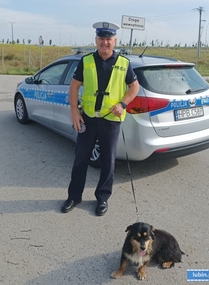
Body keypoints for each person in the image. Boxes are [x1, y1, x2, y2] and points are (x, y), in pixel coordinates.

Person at [61, 21, 139, 216]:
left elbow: (134, 87)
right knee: (80, 159)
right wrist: (74, 112)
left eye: (109, 39)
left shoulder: (124, 63)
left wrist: (122, 104)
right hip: (87, 119)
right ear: (96, 40)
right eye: (101, 39)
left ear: (115, 41)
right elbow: (74, 86)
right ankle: (74, 196)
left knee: (108, 162)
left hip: (110, 121)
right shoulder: (86, 61)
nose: (105, 43)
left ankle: (102, 198)